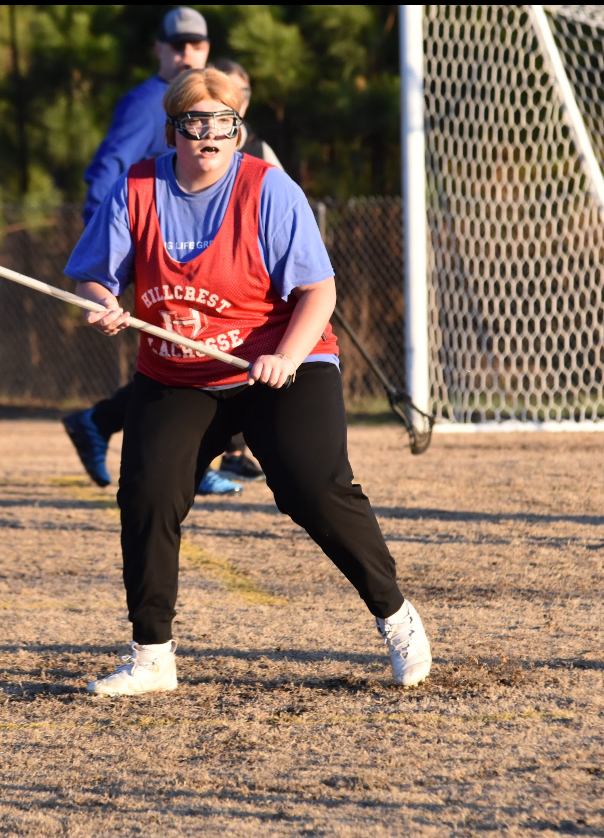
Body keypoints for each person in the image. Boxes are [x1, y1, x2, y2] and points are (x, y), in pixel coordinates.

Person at [65, 68, 433, 696]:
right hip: (178, 372)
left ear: (238, 130)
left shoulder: (269, 189)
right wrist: (100, 301)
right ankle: (152, 657)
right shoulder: (137, 188)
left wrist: (285, 357)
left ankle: (397, 619)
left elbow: (319, 290)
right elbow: (95, 277)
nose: (207, 135)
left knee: (312, 487)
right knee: (148, 493)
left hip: (278, 362)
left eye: (221, 123)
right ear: (174, 128)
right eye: (193, 122)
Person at [62, 57, 278, 492]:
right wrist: (106, 270)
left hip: (242, 311)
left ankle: (213, 453)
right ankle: (193, 455)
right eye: (199, 116)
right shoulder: (151, 161)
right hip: (180, 283)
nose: (211, 123)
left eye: (235, 101)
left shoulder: (262, 164)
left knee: (230, 360)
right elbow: (115, 167)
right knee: (183, 362)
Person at [82, 7, 210, 226]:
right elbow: (109, 168)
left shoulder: (210, 101)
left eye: (196, 46)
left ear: (206, 49)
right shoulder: (147, 103)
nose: (187, 54)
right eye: (178, 45)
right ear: (159, 49)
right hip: (153, 239)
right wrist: (98, 234)